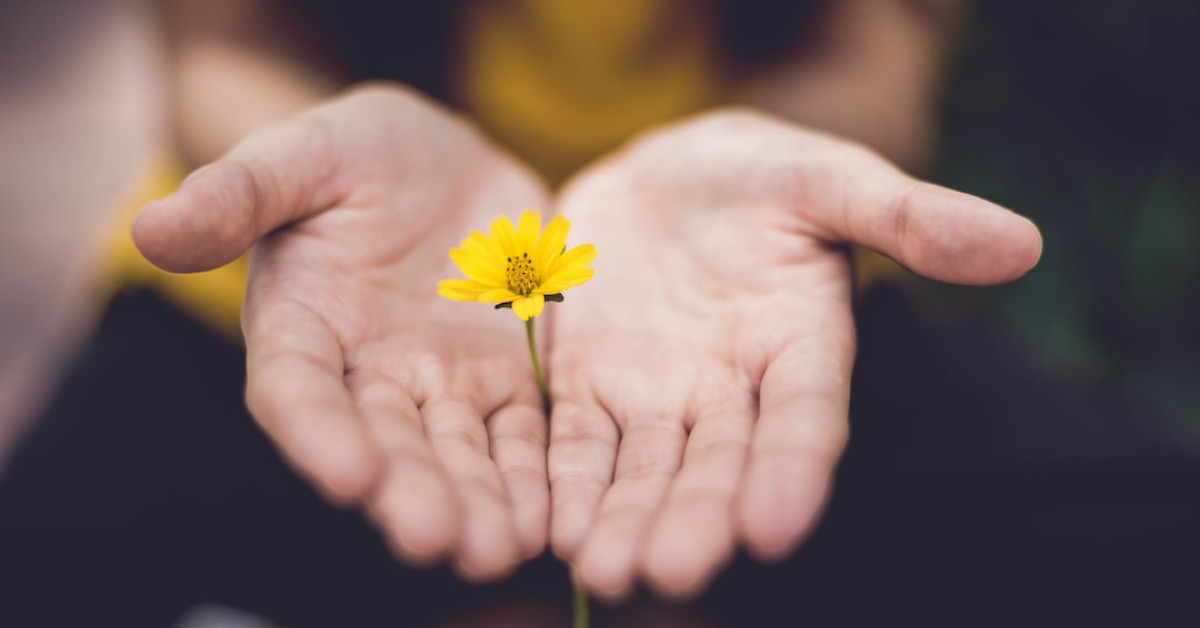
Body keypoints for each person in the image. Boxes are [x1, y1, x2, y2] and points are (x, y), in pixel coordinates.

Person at [1, 1, 1053, 624]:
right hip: (322, 291)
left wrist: (778, 151)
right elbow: (220, 38)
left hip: (742, 300)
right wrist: (307, 151)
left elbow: (880, 42)